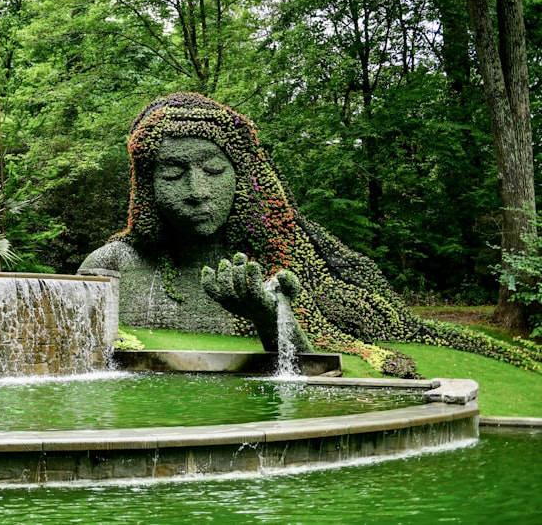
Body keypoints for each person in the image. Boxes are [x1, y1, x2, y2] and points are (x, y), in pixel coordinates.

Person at [80, 92, 541, 377]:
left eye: (214, 169)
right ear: (147, 184)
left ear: (244, 179)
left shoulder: (272, 269)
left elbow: (306, 375)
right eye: (175, 171)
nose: (197, 191)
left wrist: (266, 315)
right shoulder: (110, 267)